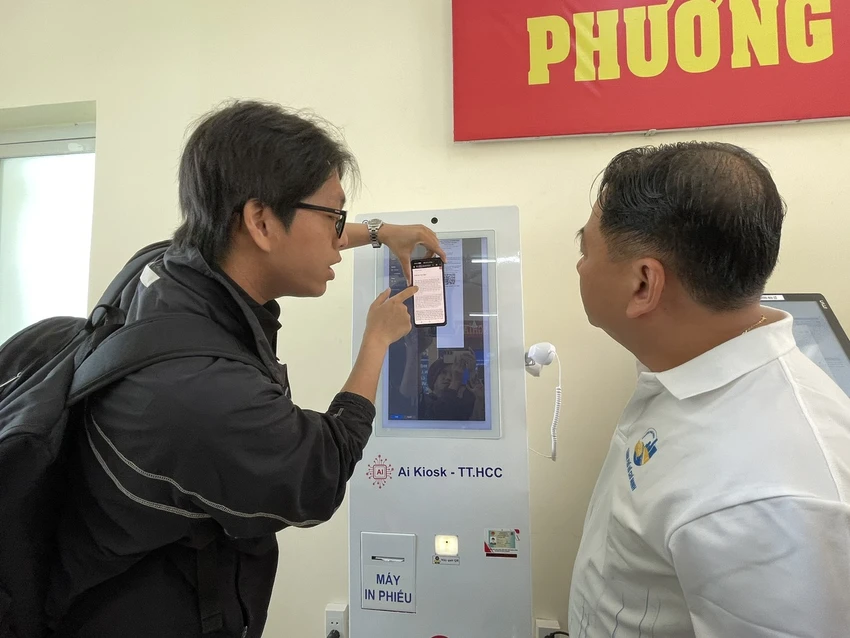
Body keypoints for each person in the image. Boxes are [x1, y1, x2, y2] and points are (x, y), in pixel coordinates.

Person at [45, 100, 445, 637]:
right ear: (260, 221)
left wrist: (380, 232)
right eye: (335, 216)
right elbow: (320, 474)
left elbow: (295, 231)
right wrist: (377, 341)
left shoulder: (164, 266)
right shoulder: (205, 395)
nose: (339, 237)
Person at [568, 142, 850, 637]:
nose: (579, 267)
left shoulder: (765, 499)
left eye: (585, 249)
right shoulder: (688, 364)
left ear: (643, 284)